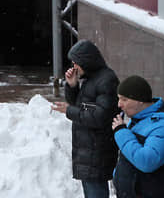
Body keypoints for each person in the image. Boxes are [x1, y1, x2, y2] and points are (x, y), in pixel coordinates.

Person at [50, 39, 120, 198]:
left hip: (97, 150)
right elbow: (82, 105)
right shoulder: (91, 79)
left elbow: (100, 116)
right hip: (89, 150)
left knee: (95, 191)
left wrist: (69, 111)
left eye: (76, 63)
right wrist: (72, 85)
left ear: (86, 62)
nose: (74, 67)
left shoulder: (106, 80)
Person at [111, 75, 164, 198]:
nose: (119, 104)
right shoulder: (140, 118)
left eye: (124, 100)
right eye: (119, 99)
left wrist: (121, 132)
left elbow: (147, 161)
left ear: (140, 100)